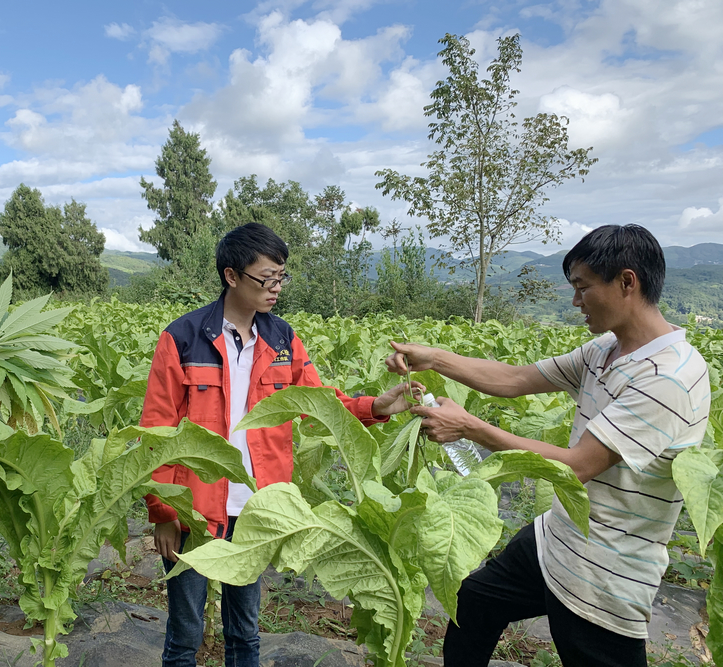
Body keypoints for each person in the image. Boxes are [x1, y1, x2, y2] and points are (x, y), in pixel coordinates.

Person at [385, 224, 711, 667]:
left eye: (582, 287)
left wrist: (470, 428)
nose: (575, 301)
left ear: (627, 282)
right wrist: (436, 358)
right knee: (476, 600)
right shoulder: (606, 349)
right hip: (557, 536)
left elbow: (577, 466)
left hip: (605, 570)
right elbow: (517, 379)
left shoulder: (668, 378)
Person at [141, 223, 422, 667]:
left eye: (281, 277)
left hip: (257, 508)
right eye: (266, 278)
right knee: (185, 633)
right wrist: (163, 512)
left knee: (245, 631)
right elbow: (156, 432)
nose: (276, 288)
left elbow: (321, 402)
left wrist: (379, 406)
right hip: (194, 508)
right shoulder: (182, 338)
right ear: (232, 276)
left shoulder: (282, 340)